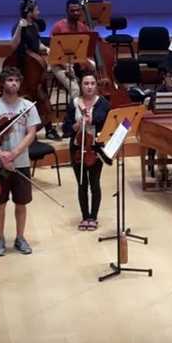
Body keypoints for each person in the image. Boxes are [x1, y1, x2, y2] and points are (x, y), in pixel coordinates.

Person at [0, 67, 41, 256]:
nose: (13, 83)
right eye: (9, 80)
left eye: (16, 80)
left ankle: (20, 237)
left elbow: (31, 133)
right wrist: (1, 155)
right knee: (0, 204)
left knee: (21, 203)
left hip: (21, 162)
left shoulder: (28, 106)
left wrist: (14, 153)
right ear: (2, 83)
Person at [62, 72, 110, 232]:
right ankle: (85, 216)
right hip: (78, 147)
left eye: (92, 83)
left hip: (95, 148)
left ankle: (93, 217)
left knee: (94, 184)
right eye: (86, 83)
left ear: (96, 85)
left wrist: (92, 120)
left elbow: (106, 123)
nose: (89, 86)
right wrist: (76, 125)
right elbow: (65, 129)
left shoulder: (103, 103)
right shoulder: (74, 103)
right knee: (82, 184)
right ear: (81, 86)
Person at [10, 0, 60, 140]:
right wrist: (20, 26)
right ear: (29, 12)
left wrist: (47, 49)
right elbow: (14, 45)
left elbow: (37, 44)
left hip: (35, 70)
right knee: (34, 98)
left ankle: (48, 127)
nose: (38, 11)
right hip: (22, 69)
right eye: (36, 9)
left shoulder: (34, 26)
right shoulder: (18, 26)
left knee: (42, 97)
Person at [50, 0, 92, 102]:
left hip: (78, 62)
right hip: (60, 64)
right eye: (72, 11)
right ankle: (74, 114)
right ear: (67, 11)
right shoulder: (58, 27)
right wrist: (67, 66)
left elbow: (88, 49)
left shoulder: (83, 27)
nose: (76, 13)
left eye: (78, 10)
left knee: (92, 82)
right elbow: (54, 52)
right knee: (75, 89)